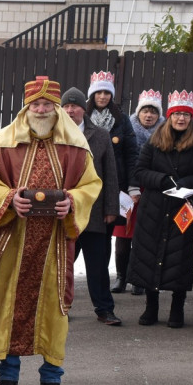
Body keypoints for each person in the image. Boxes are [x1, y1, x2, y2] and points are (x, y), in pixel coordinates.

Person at [0, 76, 101, 385]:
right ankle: (7, 378)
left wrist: (72, 202)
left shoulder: (76, 148)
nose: (41, 110)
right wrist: (8, 198)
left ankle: (52, 380)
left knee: (54, 311)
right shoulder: (1, 145)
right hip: (13, 242)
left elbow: (90, 185)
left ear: (58, 110)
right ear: (26, 108)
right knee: (8, 306)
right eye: (35, 104)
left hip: (54, 244)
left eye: (47, 105)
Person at [126, 91, 193, 328]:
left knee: (179, 259)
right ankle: (151, 306)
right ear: (170, 116)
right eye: (177, 114)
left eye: (186, 114)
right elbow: (140, 171)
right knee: (149, 256)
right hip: (153, 207)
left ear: (191, 117)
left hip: (183, 208)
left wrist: (183, 183)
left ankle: (177, 307)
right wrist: (161, 180)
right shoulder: (155, 140)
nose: (181, 118)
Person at [62, 87, 121, 325]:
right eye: (66, 106)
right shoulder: (54, 134)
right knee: (62, 266)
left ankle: (104, 309)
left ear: (83, 109)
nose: (70, 110)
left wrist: (111, 208)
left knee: (98, 265)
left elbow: (111, 174)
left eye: (75, 106)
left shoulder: (100, 135)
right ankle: (60, 308)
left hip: (94, 212)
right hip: (64, 212)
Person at [86, 71, 138, 295]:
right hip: (85, 186)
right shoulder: (82, 118)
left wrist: (132, 185)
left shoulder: (121, 120)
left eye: (107, 92)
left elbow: (132, 154)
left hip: (114, 187)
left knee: (106, 237)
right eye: (99, 92)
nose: (103, 96)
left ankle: (104, 283)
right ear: (92, 94)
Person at [113, 90, 164, 294]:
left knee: (145, 237)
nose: (149, 115)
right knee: (123, 236)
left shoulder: (165, 134)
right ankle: (121, 277)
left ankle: (139, 279)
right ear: (138, 112)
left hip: (152, 190)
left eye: (153, 112)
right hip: (128, 189)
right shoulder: (127, 130)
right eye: (145, 111)